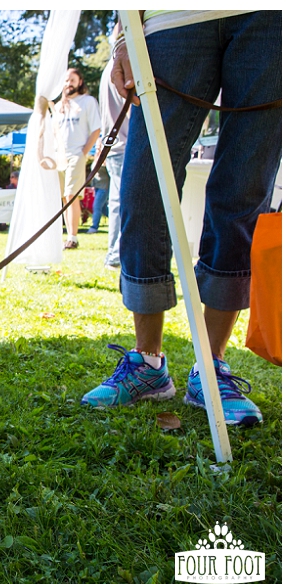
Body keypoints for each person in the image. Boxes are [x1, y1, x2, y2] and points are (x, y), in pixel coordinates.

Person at [82, 11, 281, 427]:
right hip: (171, 18)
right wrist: (123, 38)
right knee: (143, 187)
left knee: (243, 189)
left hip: (272, 19)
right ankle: (147, 363)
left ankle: (210, 367)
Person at [54, 68, 101, 250]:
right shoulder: (58, 107)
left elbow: (96, 129)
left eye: (72, 80)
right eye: (66, 80)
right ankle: (69, 235)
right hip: (59, 157)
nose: (69, 84)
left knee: (72, 195)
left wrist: (83, 152)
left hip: (76, 154)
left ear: (80, 82)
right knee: (64, 197)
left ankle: (73, 237)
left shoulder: (88, 102)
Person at [98, 53, 130, 271]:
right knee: (122, 203)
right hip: (125, 143)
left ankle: (114, 254)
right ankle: (116, 255)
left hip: (113, 144)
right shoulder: (126, 64)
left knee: (117, 201)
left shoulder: (108, 69)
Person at [87, 163, 109, 234]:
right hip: (97, 187)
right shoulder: (95, 159)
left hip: (104, 187)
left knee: (96, 207)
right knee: (104, 209)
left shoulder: (106, 159)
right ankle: (119, 220)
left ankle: (94, 227)